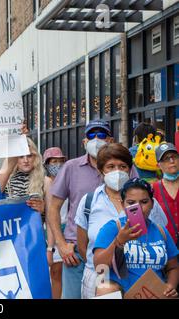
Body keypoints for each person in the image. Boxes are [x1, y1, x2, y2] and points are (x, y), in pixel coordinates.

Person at [47, 120, 139, 299]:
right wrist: (61, 245)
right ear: (84, 142)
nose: (96, 139)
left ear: (110, 140)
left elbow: (139, 198)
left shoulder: (127, 168)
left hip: (115, 255)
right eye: (91, 135)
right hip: (75, 254)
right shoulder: (71, 168)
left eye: (102, 135)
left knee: (107, 295)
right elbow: (53, 208)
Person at [75, 143, 167, 299]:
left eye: (122, 166)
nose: (117, 171)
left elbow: (160, 236)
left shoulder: (150, 203)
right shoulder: (89, 202)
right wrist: (104, 269)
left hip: (142, 280)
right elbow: (82, 246)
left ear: (130, 169)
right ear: (101, 170)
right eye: (110, 166)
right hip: (101, 276)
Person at [94, 178, 179, 297]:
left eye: (144, 202)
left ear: (152, 204)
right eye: (131, 203)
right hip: (120, 294)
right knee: (104, 289)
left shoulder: (161, 231)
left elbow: (173, 267)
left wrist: (169, 287)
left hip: (154, 295)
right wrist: (119, 241)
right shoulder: (112, 228)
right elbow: (99, 266)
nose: (138, 207)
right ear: (123, 204)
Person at [43, 147, 67, 299]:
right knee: (55, 272)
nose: (57, 165)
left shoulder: (68, 182)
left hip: (68, 232)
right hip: (50, 234)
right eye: (54, 161)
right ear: (46, 164)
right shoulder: (44, 184)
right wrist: (50, 247)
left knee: (66, 272)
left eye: (60, 161)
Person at [153, 143, 179, 246]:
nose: (172, 161)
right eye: (166, 158)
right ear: (158, 165)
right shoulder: (152, 189)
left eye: (174, 157)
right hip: (165, 247)